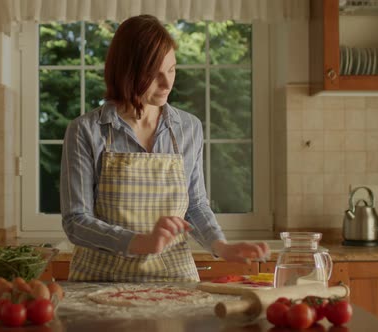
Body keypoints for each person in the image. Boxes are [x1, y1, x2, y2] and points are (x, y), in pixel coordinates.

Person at [60, 14, 269, 282]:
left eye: (171, 69)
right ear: (127, 72)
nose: (168, 83)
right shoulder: (86, 130)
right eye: (154, 74)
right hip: (101, 281)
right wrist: (142, 242)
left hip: (174, 279)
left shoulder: (188, 128)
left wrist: (221, 246)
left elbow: (195, 205)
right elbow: (76, 222)